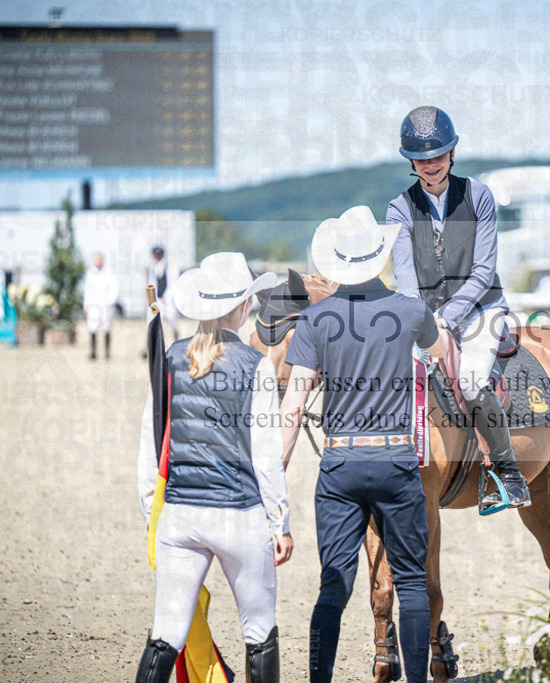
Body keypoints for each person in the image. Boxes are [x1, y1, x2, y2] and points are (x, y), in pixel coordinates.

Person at [279, 206, 450, 683]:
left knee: (332, 587)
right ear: (380, 258)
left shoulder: (315, 320)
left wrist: (274, 474)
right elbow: (442, 355)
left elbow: (293, 408)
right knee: (413, 582)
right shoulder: (413, 311)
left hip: (340, 462)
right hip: (396, 460)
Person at [135, 253, 292, 683]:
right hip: (239, 516)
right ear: (242, 307)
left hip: (180, 517)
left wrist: (153, 513)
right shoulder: (256, 366)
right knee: (258, 632)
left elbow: (152, 447)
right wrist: (281, 522)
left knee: (164, 636)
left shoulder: (169, 358)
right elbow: (265, 454)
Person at [386, 105, 529, 510]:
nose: (430, 165)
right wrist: (421, 318)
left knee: (469, 380)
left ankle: (507, 471)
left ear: (452, 154)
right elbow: (405, 275)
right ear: (411, 161)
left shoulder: (479, 196)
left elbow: (484, 271)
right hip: (426, 315)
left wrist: (446, 318)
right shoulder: (399, 208)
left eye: (438, 155)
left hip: (480, 308)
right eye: (421, 158)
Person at [83, 252, 119, 360]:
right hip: (93, 303)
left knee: (106, 328)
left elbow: (114, 288)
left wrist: (111, 301)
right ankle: (93, 352)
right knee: (92, 327)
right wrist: (85, 305)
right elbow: (87, 290)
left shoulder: (109, 272)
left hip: (105, 303)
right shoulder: (90, 273)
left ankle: (107, 353)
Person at [148, 245, 180, 341]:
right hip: (157, 299)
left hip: (168, 299)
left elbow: (172, 283)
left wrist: (166, 297)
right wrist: (153, 299)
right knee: (155, 320)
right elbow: (152, 283)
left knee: (173, 320)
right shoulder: (153, 268)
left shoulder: (170, 266)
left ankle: (176, 339)